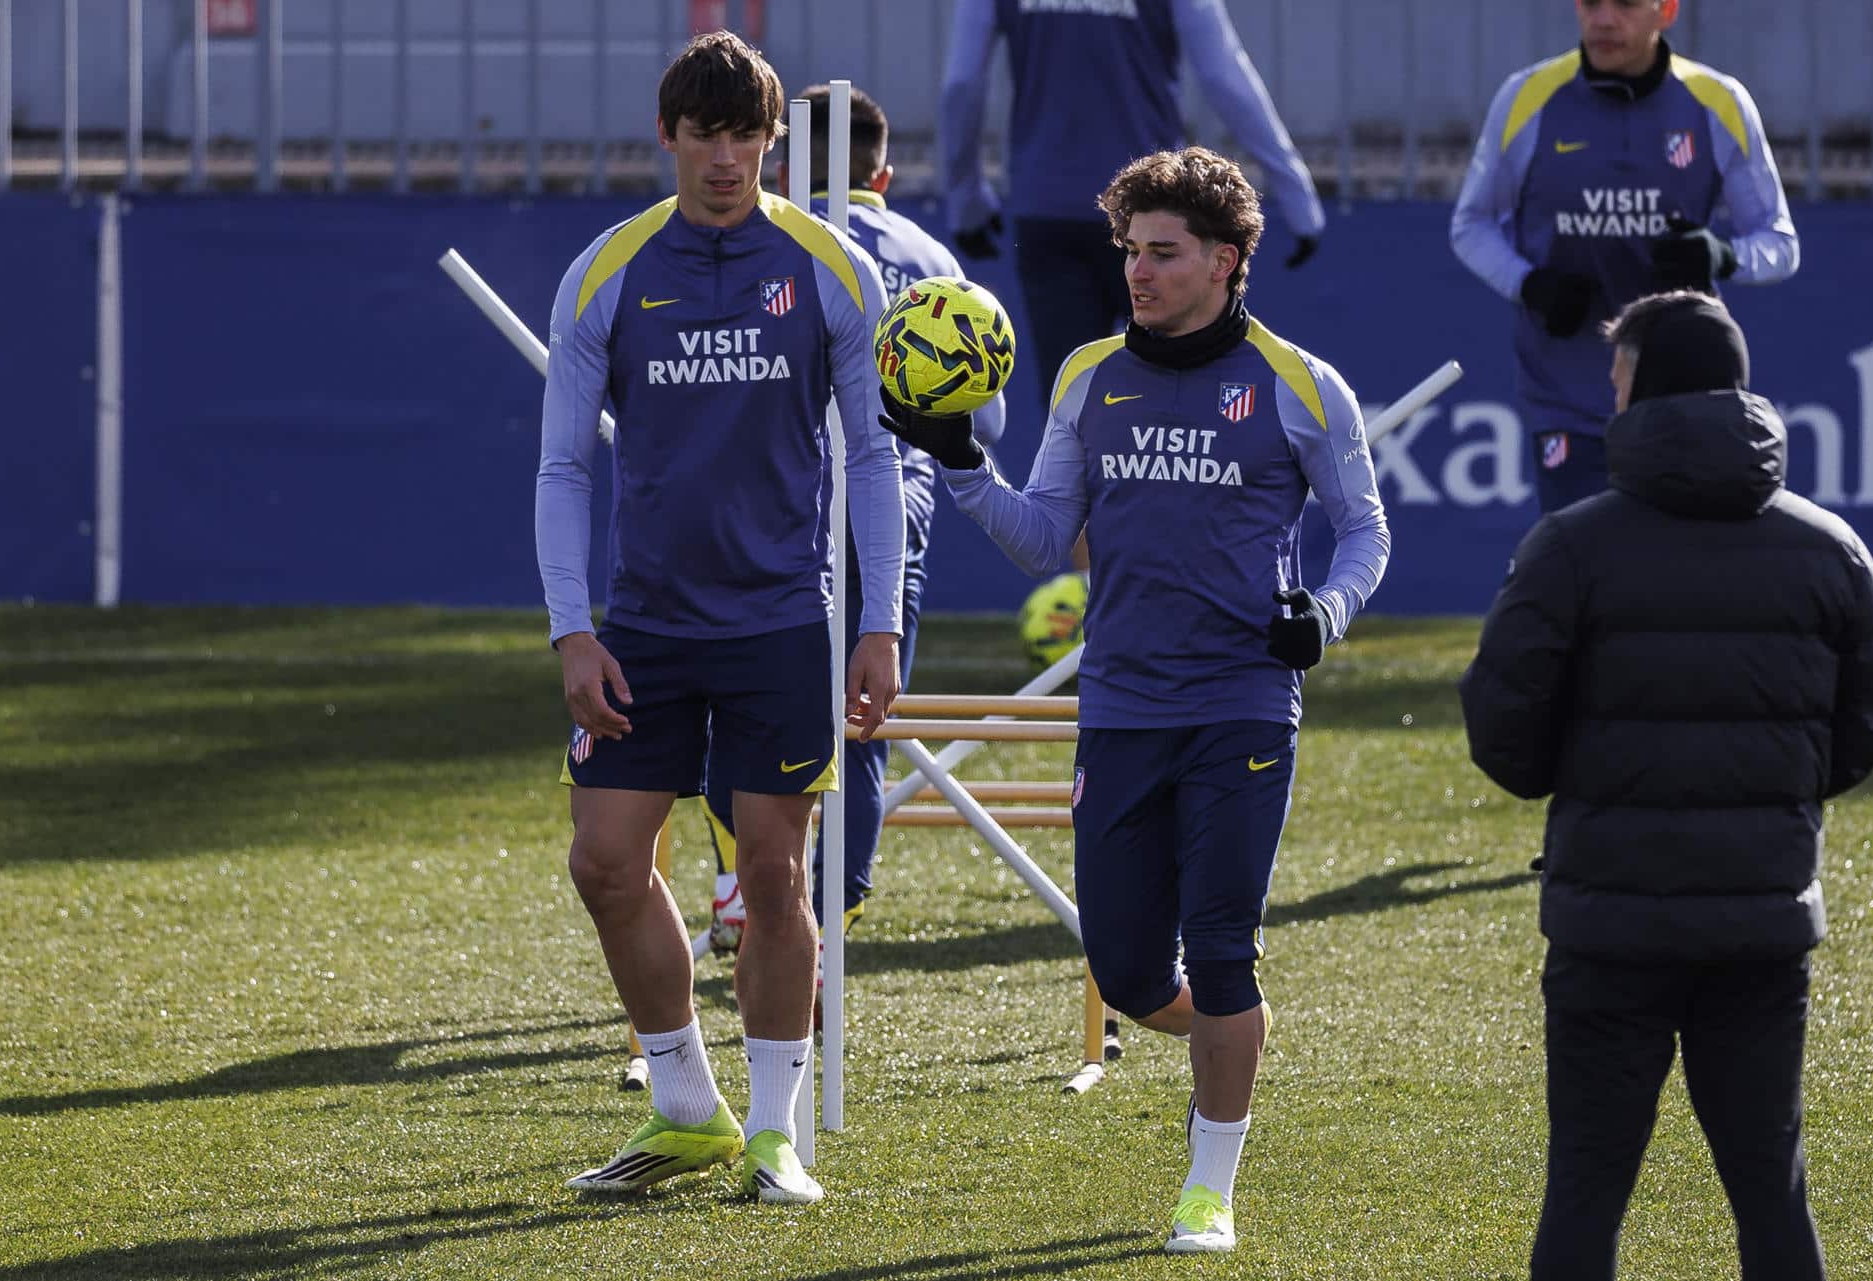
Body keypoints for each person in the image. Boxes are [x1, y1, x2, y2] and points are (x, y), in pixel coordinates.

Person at [879, 146, 1388, 1254]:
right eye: (1128, 252)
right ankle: (1229, 1045)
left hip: (1244, 707)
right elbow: (1039, 539)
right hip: (1119, 707)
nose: (1139, 274)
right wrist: (960, 467)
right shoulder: (1086, 376)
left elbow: (1365, 530)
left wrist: (1327, 614)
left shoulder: (1301, 385)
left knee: (1222, 946)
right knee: (1121, 968)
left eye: (1162, 254)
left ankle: (1210, 1182)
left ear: (1229, 259)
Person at [535, 31, 904, 1207]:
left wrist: (879, 621)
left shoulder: (832, 269)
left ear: (773, 143)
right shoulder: (607, 271)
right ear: (670, 138)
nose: (728, 158)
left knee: (773, 878)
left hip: (781, 623)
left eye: (749, 136)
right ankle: (685, 1107)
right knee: (604, 861)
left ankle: (776, 1133)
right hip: (641, 626)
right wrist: (570, 629)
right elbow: (559, 472)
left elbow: (878, 458)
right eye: (707, 135)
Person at [1458, 291, 1873, 1281]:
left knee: (1585, 1188)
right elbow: (1865, 732)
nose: (1606, 397)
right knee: (1770, 1187)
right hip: (1761, 925)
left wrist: (1587, 780)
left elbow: (1504, 735)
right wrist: (1770, 796)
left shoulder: (1571, 545)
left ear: (1642, 392)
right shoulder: (1832, 553)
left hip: (1610, 926)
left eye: (1615, 380)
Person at [701, 82, 1008, 953]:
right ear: (886, 169)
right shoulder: (930, 258)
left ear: (782, 157)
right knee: (862, 718)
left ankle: (741, 883)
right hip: (889, 511)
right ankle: (827, 924)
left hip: (771, 509)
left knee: (732, 696)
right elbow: (986, 421)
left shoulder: (755, 246)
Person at [1451, 0, 1798, 513]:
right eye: (1591, 3)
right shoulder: (1529, 98)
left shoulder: (1716, 101)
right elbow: (1470, 226)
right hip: (1566, 393)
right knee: (1581, 571)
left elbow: (1779, 243)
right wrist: (1529, 284)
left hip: (1686, 398)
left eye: (1628, 4)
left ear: (1668, 11)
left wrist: (1723, 256)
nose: (1605, 20)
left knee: (1679, 575)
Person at [941, 0, 1325, 425]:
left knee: (1071, 407)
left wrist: (966, 200)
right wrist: (1295, 192)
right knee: (1181, 400)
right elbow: (1225, 76)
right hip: (1156, 218)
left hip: (1049, 207)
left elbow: (962, 84)